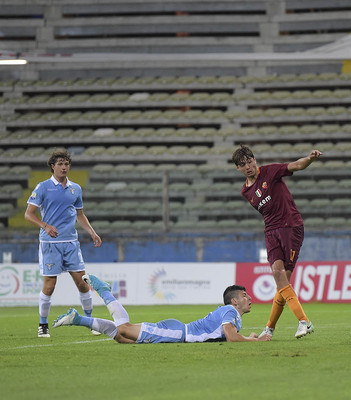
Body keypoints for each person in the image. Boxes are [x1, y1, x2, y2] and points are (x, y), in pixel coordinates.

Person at [232, 145, 322, 339]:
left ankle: (300, 322)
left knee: (282, 281)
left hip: (290, 226)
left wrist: (310, 159)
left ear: (254, 160)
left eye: (249, 161)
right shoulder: (245, 191)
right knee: (278, 276)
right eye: (242, 164)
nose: (247, 166)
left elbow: (296, 165)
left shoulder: (270, 171)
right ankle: (275, 327)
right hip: (271, 231)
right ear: (238, 169)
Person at [53, 275, 271, 343]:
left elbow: (232, 335)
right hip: (178, 333)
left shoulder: (232, 314)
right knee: (125, 329)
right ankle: (103, 290)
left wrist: (250, 337)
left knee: (122, 338)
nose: (249, 298)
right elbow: (231, 338)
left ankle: (78, 319)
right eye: (244, 295)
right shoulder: (230, 312)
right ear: (234, 301)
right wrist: (257, 340)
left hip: (177, 334)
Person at [24, 149, 102, 338]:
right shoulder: (42, 187)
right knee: (49, 285)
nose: (64, 167)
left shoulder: (75, 189)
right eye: (60, 164)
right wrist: (45, 225)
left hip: (71, 243)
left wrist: (92, 232)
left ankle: (91, 321)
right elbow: (29, 214)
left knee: (83, 284)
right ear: (53, 166)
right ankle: (43, 325)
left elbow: (79, 214)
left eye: (66, 164)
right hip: (50, 243)